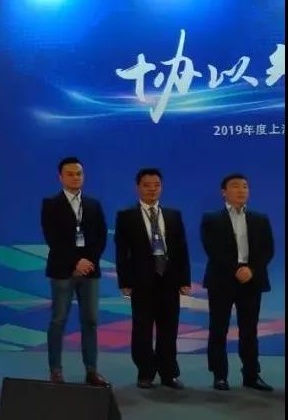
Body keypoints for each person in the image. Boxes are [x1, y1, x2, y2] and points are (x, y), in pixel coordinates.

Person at [115, 168, 191, 389]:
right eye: (147, 185)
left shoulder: (173, 215)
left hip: (169, 280)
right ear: (138, 187)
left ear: (162, 187)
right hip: (141, 281)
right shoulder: (126, 216)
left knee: (169, 329)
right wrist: (125, 281)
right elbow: (121, 252)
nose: (152, 189)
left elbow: (182, 250)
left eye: (156, 185)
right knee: (142, 329)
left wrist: (184, 280)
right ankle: (145, 372)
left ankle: (169, 373)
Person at [201, 173, 275, 392]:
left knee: (249, 331)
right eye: (235, 186)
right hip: (222, 280)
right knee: (218, 329)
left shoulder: (260, 219)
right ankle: (219, 375)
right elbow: (213, 250)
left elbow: (267, 249)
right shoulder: (211, 218)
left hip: (251, 279)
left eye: (245, 186)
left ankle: (251, 375)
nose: (241, 190)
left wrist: (251, 269)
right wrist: (236, 269)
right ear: (223, 192)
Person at [40, 157, 109, 387]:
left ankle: (91, 370)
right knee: (58, 320)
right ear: (60, 177)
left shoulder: (93, 205)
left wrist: (88, 261)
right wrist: (75, 261)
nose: (75, 177)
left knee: (90, 320)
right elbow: (53, 239)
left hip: (90, 270)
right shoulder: (50, 204)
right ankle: (56, 371)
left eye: (79, 173)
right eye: (70, 174)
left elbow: (100, 237)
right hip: (62, 270)